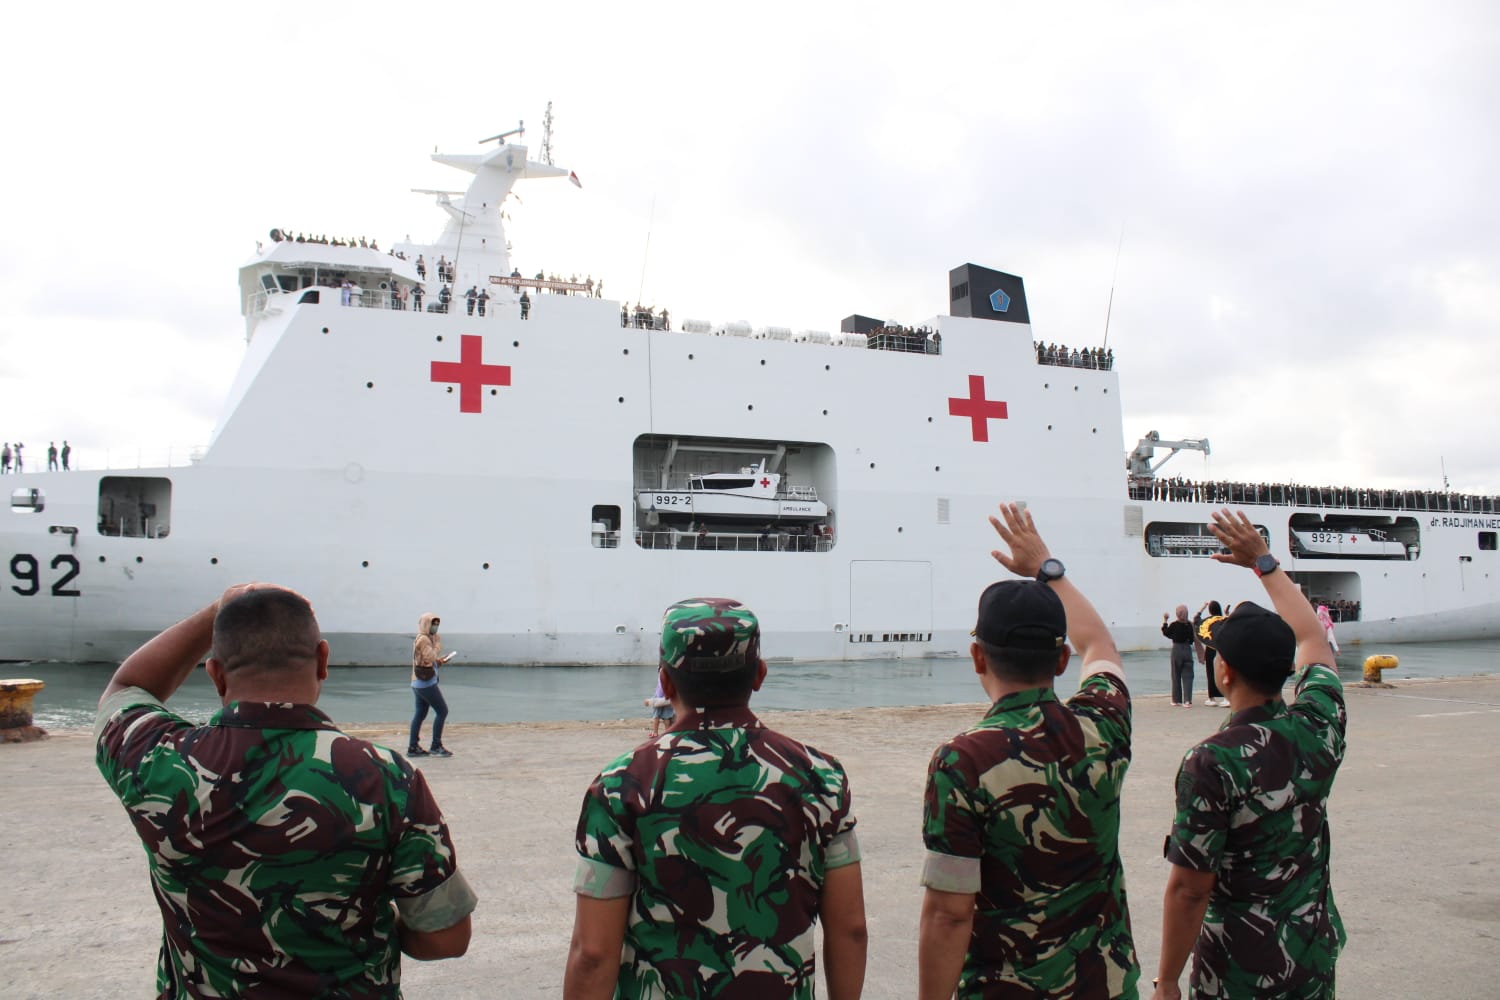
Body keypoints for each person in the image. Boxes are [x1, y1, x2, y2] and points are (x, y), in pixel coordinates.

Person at [95, 585, 477, 996]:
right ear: (323, 661)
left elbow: (126, 687)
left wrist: (218, 610)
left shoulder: (162, 764)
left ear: (215, 674)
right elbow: (445, 937)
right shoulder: (384, 778)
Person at [565, 597, 867, 999]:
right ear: (759, 674)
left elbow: (593, 953)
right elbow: (850, 929)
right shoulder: (821, 777)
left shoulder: (621, 785)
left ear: (666, 682)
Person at [919, 503, 1138, 999]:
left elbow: (949, 914)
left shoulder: (962, 762)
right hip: (1106, 986)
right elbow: (1099, 644)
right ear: (1061, 658)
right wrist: (1047, 568)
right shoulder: (1105, 721)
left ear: (977, 656)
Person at [1151, 509, 1346, 1000]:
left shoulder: (1211, 762)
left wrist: (1168, 980)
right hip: (1311, 956)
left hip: (1239, 970)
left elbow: (1191, 888)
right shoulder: (1319, 724)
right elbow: (1313, 641)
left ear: (1224, 672)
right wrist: (1265, 564)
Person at [409, 612, 456, 757]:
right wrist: (438, 645)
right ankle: (436, 745)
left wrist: (440, 662)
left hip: (417, 682)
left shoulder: (425, 638)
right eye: (433, 624)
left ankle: (413, 746)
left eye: (437, 624)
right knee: (442, 711)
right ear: (426, 624)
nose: (435, 627)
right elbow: (430, 656)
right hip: (426, 683)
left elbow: (427, 660)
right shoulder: (424, 640)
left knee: (420, 713)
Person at [1193, 600, 1228, 707]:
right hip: (1222, 649)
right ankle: (1227, 698)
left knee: (1210, 673)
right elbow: (1232, 622)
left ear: (1210, 610)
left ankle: (1211, 699)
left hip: (1210, 648)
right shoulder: (1223, 620)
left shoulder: (1208, 622)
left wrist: (1202, 608)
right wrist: (1226, 613)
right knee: (1224, 673)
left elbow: (1196, 619)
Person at [1162, 604, 1196, 706]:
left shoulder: (1174, 625)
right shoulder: (1190, 625)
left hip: (1176, 649)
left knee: (1176, 674)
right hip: (1187, 650)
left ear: (1177, 614)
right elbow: (1192, 639)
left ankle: (1176, 700)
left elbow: (1166, 633)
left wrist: (1165, 620)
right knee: (1188, 676)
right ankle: (1187, 700)